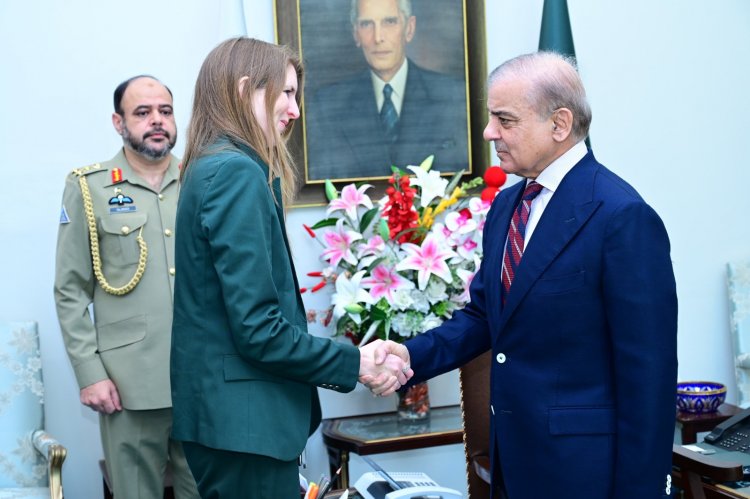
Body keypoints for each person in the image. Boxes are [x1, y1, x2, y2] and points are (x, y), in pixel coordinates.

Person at [370, 52, 678, 498]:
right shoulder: (507, 207)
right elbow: (483, 319)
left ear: (559, 124)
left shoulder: (621, 216)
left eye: (505, 120)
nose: (489, 132)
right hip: (512, 463)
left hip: (586, 475)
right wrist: (408, 357)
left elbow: (648, 376)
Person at [170, 37, 411, 499]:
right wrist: (356, 361)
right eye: (286, 93)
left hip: (232, 424)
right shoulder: (236, 173)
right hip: (246, 426)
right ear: (245, 90)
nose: (295, 110)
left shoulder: (209, 166)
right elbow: (259, 330)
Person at [54, 75, 199, 498]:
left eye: (165, 111)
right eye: (143, 112)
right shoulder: (89, 188)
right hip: (128, 386)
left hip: (201, 381)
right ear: (118, 123)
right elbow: (69, 289)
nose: (157, 121)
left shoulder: (201, 179)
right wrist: (90, 373)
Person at [304, 0, 469, 181]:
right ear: (356, 33)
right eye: (366, 24)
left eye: (389, 22)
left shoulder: (453, 96)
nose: (378, 37)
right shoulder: (326, 106)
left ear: (409, 28)